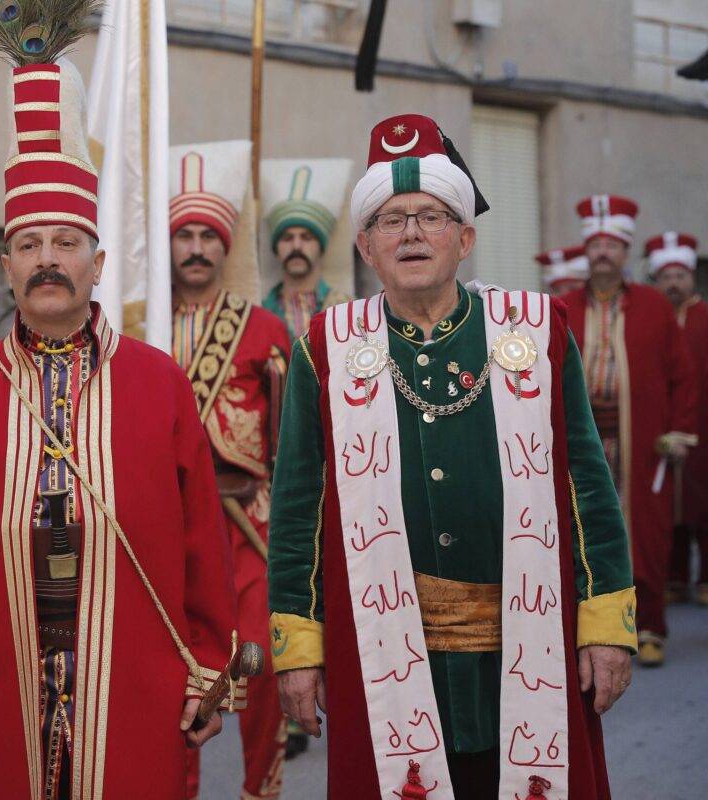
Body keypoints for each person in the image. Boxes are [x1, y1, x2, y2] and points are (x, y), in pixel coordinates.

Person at [0, 10, 238, 798]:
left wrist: (209, 664)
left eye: (65, 243)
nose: (47, 262)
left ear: (98, 263)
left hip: (134, 673)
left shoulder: (158, 381)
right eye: (29, 245)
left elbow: (203, 535)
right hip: (1, 670)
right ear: (6, 264)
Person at [269, 114, 637, 799]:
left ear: (464, 238)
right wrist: (299, 649)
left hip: (527, 646)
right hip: (382, 649)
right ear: (366, 247)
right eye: (390, 219)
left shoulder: (536, 330)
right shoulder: (326, 347)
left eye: (431, 216)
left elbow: (588, 485)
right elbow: (296, 506)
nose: (410, 232)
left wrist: (607, 627)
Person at [169, 140, 290, 799]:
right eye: (183, 234)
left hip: (250, 525)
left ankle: (261, 787)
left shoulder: (264, 329)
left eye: (206, 236)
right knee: (178, 671)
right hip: (170, 525)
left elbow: (293, 439)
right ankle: (176, 786)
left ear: (224, 246)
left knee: (256, 660)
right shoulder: (142, 328)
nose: (194, 248)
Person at [560, 199, 698, 667]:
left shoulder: (655, 307)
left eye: (612, 245)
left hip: (641, 439)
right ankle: (586, 627)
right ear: (586, 248)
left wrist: (679, 429)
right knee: (581, 525)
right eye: (595, 243)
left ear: (626, 251)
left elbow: (682, 375)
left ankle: (651, 625)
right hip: (582, 438)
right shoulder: (563, 307)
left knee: (647, 531)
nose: (602, 252)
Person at [645, 232, 708, 606]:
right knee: (669, 504)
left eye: (679, 275)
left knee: (704, 503)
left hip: (704, 424)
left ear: (691, 277)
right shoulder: (655, 320)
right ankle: (674, 575)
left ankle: (705, 578)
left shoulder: (704, 317)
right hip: (664, 425)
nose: (673, 283)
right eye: (665, 276)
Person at [260, 160, 352, 340]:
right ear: (276, 248)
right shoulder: (260, 314)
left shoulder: (347, 311)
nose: (296, 246)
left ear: (321, 246)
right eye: (287, 238)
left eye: (306, 237)